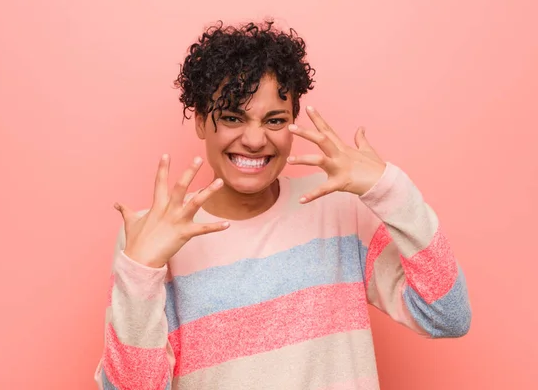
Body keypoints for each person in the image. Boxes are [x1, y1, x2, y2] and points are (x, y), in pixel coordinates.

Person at [94, 20, 472, 390]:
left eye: (274, 120)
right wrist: (140, 271)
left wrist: (390, 189)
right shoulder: (153, 236)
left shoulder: (339, 209)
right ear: (199, 120)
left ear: (293, 122)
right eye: (231, 117)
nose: (255, 140)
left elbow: (447, 316)